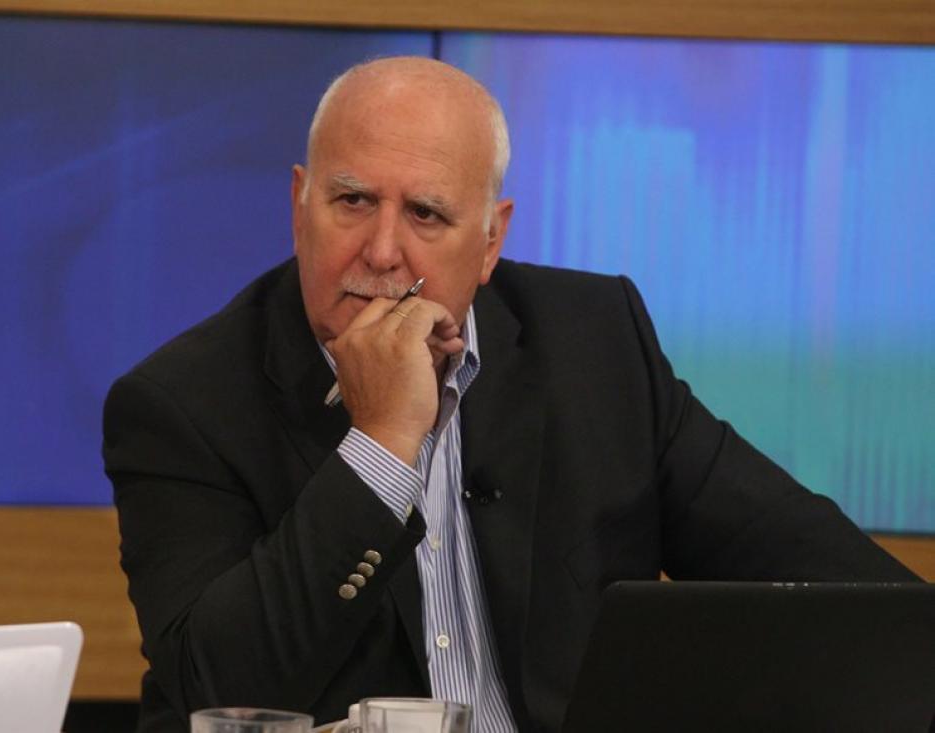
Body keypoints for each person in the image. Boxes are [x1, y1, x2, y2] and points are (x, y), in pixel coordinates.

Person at [102, 57, 918, 732]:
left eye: (426, 214)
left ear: (491, 240)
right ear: (298, 205)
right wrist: (380, 444)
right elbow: (218, 693)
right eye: (352, 200)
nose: (381, 251)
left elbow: (847, 593)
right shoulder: (183, 405)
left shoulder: (594, 344)